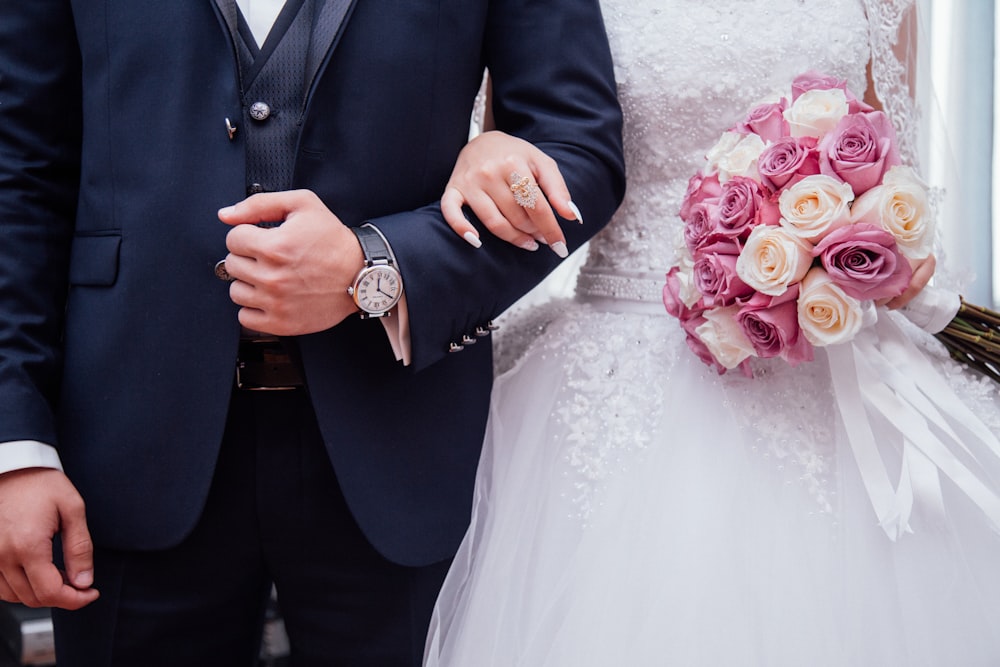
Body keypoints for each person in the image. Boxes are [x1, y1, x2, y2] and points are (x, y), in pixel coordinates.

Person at [0, 1, 624, 665]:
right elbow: (20, 170)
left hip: (401, 438)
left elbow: (578, 150)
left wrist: (378, 266)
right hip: (130, 432)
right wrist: (15, 441)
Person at [424, 0, 1000, 665]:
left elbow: (895, 161)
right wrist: (485, 148)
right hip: (619, 370)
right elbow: (520, 158)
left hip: (831, 352)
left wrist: (873, 252)